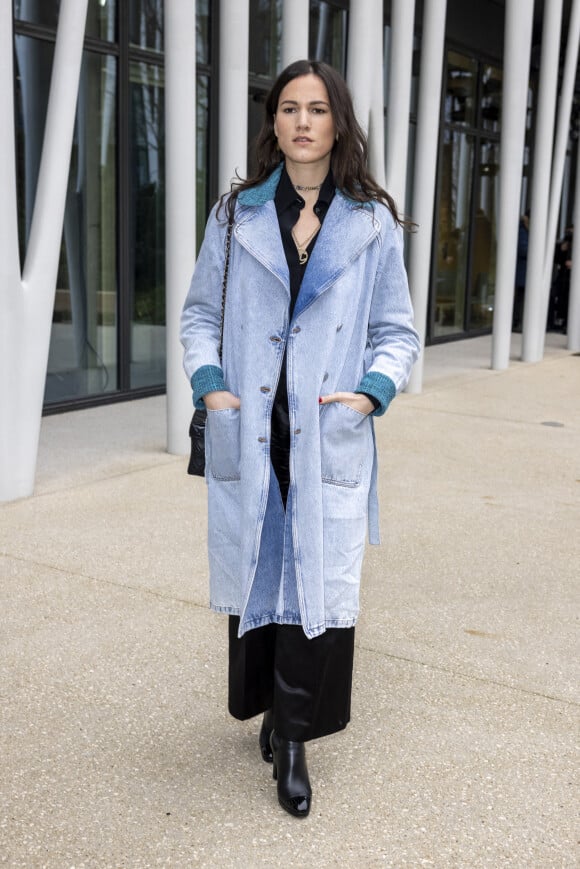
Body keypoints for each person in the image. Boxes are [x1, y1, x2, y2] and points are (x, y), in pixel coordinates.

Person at [180, 59, 420, 819]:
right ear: (274, 123)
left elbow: (396, 333)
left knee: (315, 590)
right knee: (261, 579)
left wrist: (371, 392)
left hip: (326, 429)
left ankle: (293, 739)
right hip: (251, 428)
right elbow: (195, 319)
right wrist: (210, 382)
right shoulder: (236, 215)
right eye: (290, 107)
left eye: (318, 108)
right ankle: (271, 716)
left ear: (339, 122)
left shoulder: (372, 223)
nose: (304, 121)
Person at [512, 212, 529, 332]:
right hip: (521, 270)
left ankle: (518, 321)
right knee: (520, 298)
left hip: (523, 271)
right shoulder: (522, 231)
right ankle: (516, 322)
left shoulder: (524, 230)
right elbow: (523, 250)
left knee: (521, 298)